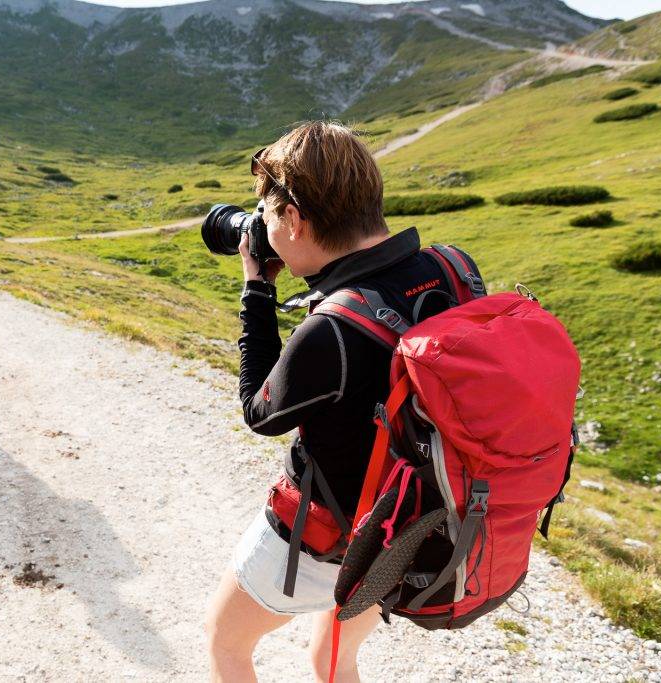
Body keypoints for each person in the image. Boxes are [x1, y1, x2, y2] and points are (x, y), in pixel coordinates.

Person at [204, 121, 482, 682]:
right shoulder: (453, 267)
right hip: (416, 526)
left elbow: (261, 413)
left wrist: (257, 286)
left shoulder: (332, 329)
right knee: (331, 657)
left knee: (225, 643)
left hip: (324, 533)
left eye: (267, 211)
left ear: (296, 219)